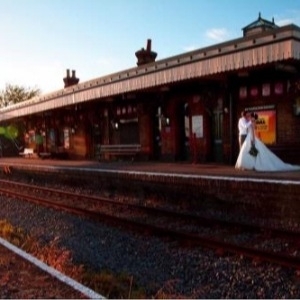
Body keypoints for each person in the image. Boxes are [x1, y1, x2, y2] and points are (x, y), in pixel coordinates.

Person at [235, 112, 300, 172]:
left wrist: (253, 139)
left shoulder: (251, 122)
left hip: (251, 138)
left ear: (251, 117)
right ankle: (250, 164)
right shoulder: (249, 121)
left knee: (251, 151)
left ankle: (251, 164)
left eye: (249, 116)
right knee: (249, 151)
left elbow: (253, 131)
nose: (247, 117)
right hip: (249, 137)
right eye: (247, 116)